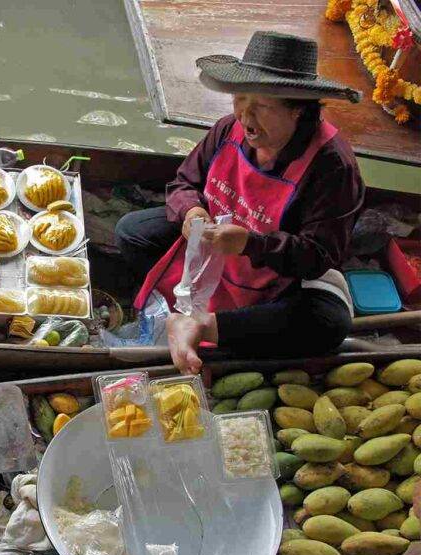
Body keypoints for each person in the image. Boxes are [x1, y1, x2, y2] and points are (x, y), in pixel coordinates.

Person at [115, 31, 365, 374]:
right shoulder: (228, 129)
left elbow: (318, 256)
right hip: (215, 245)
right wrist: (192, 211)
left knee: (328, 323)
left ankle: (203, 325)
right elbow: (184, 182)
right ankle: (193, 312)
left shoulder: (333, 166)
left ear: (297, 110)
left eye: (261, 106)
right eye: (239, 99)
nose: (245, 116)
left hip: (278, 275)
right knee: (131, 231)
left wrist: (251, 244)